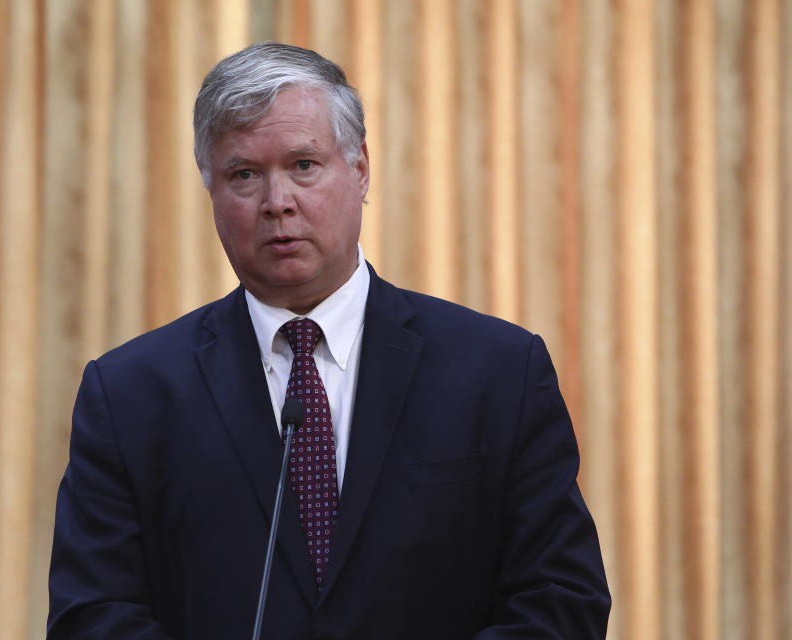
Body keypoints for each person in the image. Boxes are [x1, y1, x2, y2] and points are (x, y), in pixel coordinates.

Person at [47, 42, 610, 639]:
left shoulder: (498, 372)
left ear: (361, 168)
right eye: (244, 175)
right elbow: (93, 617)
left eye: (304, 165)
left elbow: (560, 601)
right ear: (210, 191)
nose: (278, 202)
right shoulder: (130, 395)